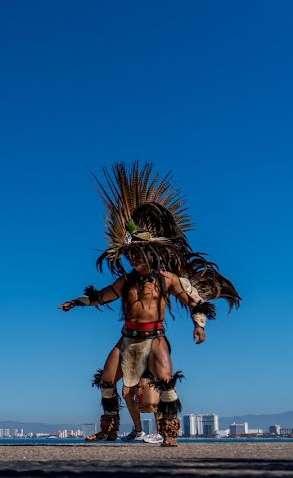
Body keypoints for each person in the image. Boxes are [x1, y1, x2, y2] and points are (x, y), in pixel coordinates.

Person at [59, 162, 240, 447]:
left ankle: (169, 433)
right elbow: (100, 296)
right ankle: (109, 430)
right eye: (131, 255)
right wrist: (76, 302)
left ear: (151, 253)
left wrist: (199, 326)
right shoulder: (126, 282)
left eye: (140, 254)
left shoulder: (167, 279)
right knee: (107, 381)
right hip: (127, 339)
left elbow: (194, 301)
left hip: (155, 338)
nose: (135, 260)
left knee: (165, 383)